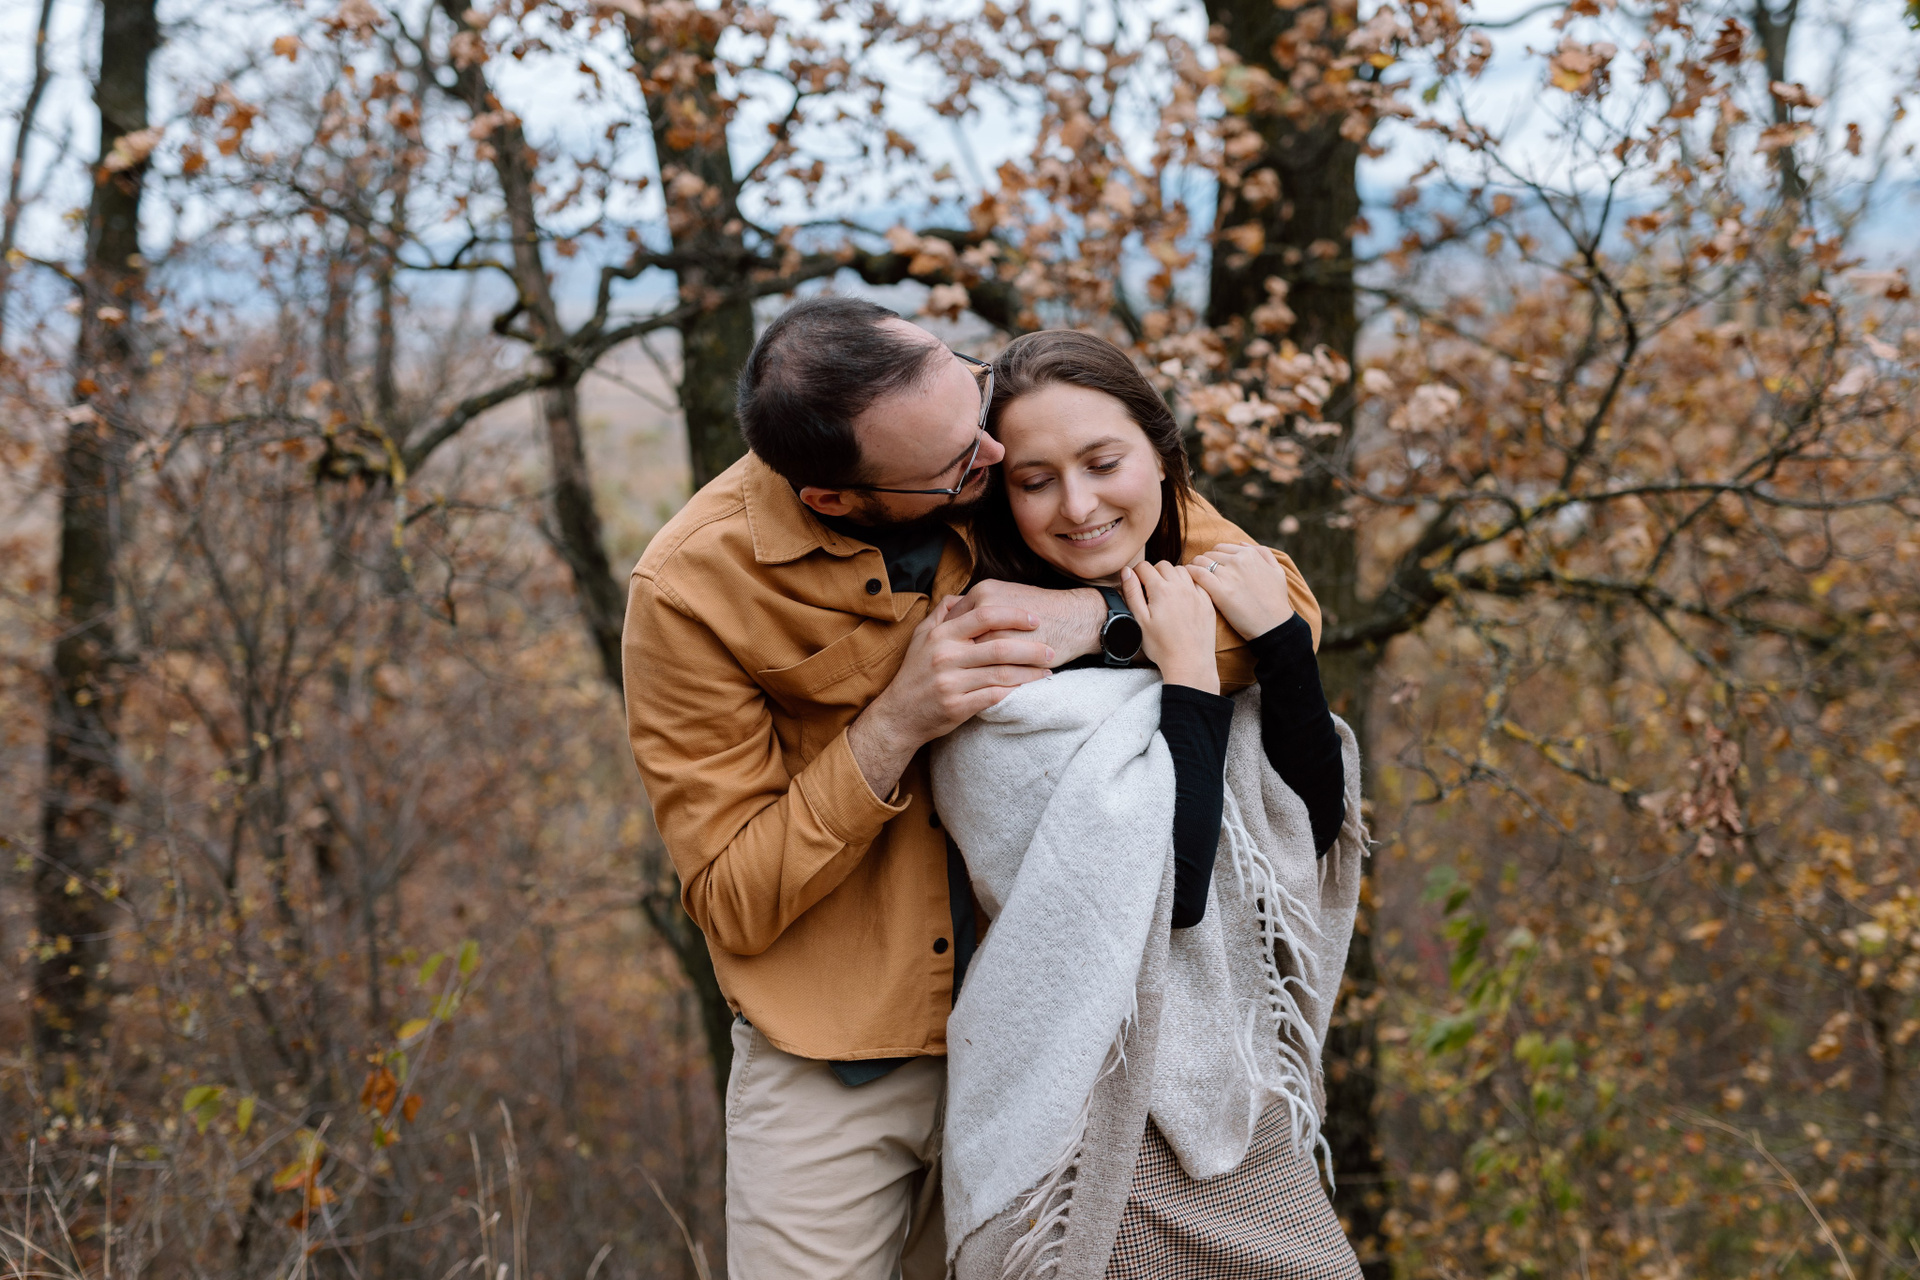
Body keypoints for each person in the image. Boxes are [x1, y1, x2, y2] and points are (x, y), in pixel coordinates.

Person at [620, 297, 1322, 1280]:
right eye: (959, 465)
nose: (993, 454)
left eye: (974, 394)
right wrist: (894, 724)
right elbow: (732, 895)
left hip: (1054, 1028)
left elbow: (1281, 604)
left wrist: (1098, 621)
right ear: (837, 498)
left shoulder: (998, 440)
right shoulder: (690, 589)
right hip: (840, 1052)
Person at [931, 329, 1365, 1279]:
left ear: (1164, 460)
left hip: (1238, 1090)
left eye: (1103, 463)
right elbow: (1174, 890)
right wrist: (1188, 676)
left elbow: (1313, 827)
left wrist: (1279, 644)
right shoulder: (997, 665)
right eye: (1036, 480)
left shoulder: (1203, 609)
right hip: (1098, 1122)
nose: (1079, 505)